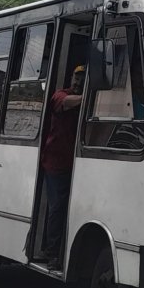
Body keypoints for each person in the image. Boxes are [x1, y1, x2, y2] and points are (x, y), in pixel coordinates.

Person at [40, 65, 86, 270]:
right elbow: (65, 104)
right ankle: (52, 254)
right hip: (56, 165)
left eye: (83, 78)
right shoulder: (61, 95)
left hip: (81, 165)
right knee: (57, 208)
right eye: (76, 77)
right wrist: (89, 97)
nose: (78, 81)